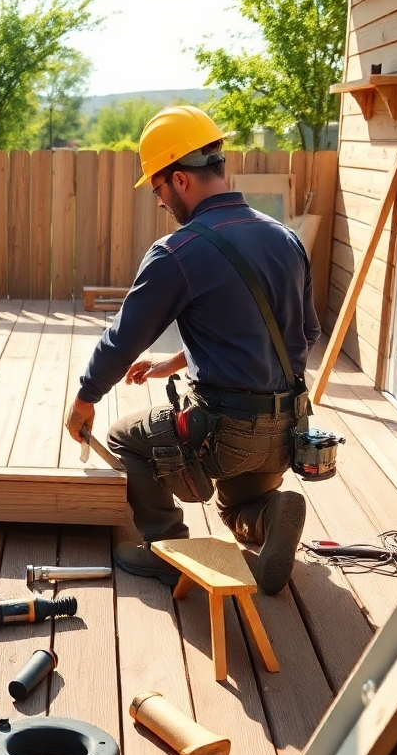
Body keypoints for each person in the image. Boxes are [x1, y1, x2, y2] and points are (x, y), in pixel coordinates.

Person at [65, 106, 320, 595]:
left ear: (180, 180)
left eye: (158, 189)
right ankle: (267, 515)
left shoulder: (178, 252)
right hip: (287, 431)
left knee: (123, 437)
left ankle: (168, 549)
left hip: (223, 435)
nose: (161, 202)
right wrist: (180, 360)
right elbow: (303, 334)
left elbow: (121, 340)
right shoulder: (285, 239)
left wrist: (84, 399)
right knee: (234, 505)